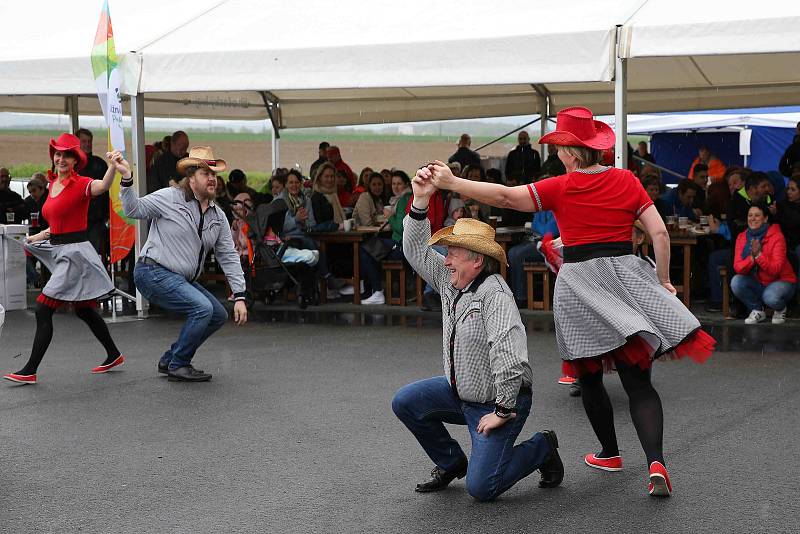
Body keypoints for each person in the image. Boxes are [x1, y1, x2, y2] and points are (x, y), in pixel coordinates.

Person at [421, 106, 716, 497]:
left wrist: (453, 180)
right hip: (625, 279)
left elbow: (506, 198)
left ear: (573, 154)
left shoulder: (560, 186)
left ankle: (610, 452)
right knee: (639, 383)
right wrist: (662, 279)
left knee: (589, 375)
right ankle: (656, 463)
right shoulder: (627, 180)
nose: (558, 154)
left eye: (561, 147)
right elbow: (659, 234)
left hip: (580, 284)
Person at [393, 184, 563, 501]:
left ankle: (542, 447)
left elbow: (511, 360)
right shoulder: (450, 279)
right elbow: (415, 251)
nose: (445, 261)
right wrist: (419, 201)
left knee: (482, 488)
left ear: (477, 261)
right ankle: (451, 462)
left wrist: (502, 410)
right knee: (406, 401)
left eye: (453, 254)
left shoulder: (496, 297)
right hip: (462, 394)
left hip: (501, 402)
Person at [3, 134, 124, 385]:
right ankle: (113, 353)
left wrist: (113, 165)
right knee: (83, 309)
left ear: (75, 159)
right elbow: (58, 221)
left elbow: (102, 187)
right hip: (58, 248)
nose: (61, 159)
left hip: (74, 254)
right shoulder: (52, 184)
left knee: (43, 308)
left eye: (66, 155)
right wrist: (40, 235)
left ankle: (30, 369)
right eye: (57, 154)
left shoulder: (81, 183)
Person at [122, 146, 248, 382]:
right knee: (202, 308)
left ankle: (171, 359)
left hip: (179, 278)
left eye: (214, 174)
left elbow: (228, 255)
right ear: (191, 178)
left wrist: (240, 295)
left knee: (217, 314)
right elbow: (132, 209)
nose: (212, 179)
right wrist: (127, 180)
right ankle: (179, 364)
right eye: (205, 173)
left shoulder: (217, 215)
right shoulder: (169, 197)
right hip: (151, 271)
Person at [731, 203, 796, 324]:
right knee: (736, 281)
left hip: (782, 281)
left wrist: (759, 256)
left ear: (765, 218)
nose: (753, 219)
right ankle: (757, 310)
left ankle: (780, 308)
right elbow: (738, 267)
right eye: (750, 215)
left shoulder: (777, 236)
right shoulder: (742, 237)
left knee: (770, 297)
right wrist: (752, 258)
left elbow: (775, 269)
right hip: (759, 283)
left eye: (757, 215)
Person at [76, 128, 111, 258]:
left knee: (91, 255)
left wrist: (107, 215)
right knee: (76, 254)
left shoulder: (100, 164)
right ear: (77, 143)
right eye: (84, 141)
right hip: (76, 219)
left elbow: (107, 192)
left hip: (95, 219)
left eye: (89, 141)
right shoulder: (71, 164)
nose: (87, 144)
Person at [310, 162, 346, 232]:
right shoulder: (316, 197)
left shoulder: (334, 194)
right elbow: (319, 223)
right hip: (326, 237)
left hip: (340, 234)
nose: (330, 179)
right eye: (326, 176)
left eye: (332, 176)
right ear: (320, 177)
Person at [776, 176, 800, 265]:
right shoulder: (782, 205)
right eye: (788, 188)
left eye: (793, 190)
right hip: (787, 243)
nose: (788, 192)